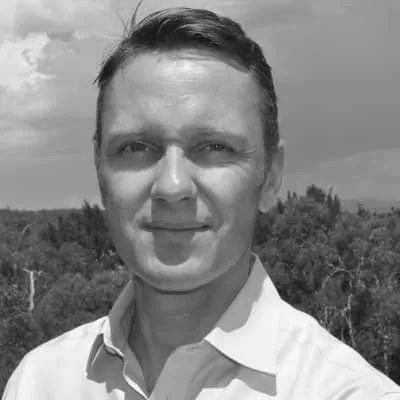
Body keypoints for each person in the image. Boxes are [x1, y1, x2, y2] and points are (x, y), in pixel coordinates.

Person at [2, 6, 400, 400]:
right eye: (136, 147)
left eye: (214, 147)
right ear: (99, 167)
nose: (172, 186)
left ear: (270, 176)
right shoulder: (40, 383)